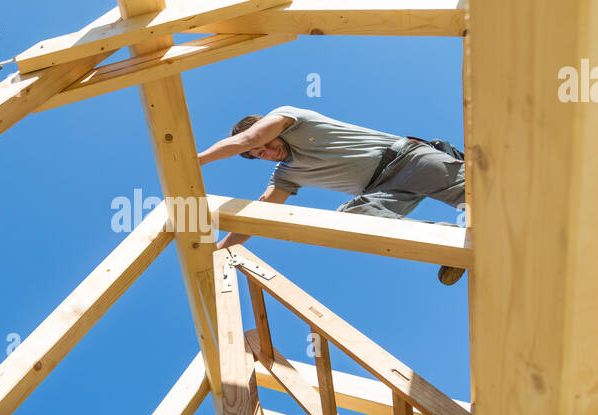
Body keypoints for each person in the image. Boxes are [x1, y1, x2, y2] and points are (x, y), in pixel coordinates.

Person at [197, 105, 467, 284]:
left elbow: (247, 140)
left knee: (474, 193)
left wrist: (195, 160)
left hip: (405, 159)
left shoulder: (292, 119)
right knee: (352, 217)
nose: (268, 151)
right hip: (381, 191)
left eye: (265, 142)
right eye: (260, 154)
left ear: (269, 127)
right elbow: (260, 212)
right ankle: (450, 243)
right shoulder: (285, 174)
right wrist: (220, 251)